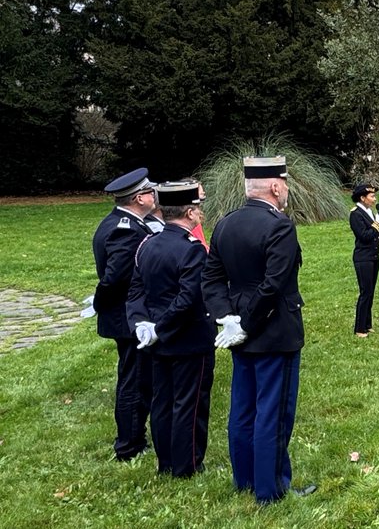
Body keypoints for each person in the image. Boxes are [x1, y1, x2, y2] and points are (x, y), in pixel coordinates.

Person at [202, 155, 314, 504]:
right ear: (276, 186)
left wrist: (228, 318)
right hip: (274, 331)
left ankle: (246, 479)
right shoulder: (279, 226)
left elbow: (212, 278)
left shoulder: (225, 223)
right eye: (285, 184)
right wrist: (243, 323)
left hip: (241, 330)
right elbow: (274, 284)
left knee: (244, 407)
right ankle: (271, 489)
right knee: (273, 412)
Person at [125, 181, 215, 477]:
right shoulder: (192, 249)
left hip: (157, 339)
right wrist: (156, 326)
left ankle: (165, 462)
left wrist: (142, 324)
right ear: (189, 212)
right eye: (198, 209)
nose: (200, 214)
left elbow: (135, 291)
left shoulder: (147, 244)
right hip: (189, 337)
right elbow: (189, 298)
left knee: (162, 402)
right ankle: (186, 464)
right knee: (189, 403)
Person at [91, 168, 157, 461]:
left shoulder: (123, 222)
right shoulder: (126, 230)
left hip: (125, 315)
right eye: (150, 192)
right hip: (128, 318)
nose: (155, 195)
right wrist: (99, 302)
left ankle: (133, 438)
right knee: (136, 381)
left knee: (136, 377)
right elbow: (116, 277)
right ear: (140, 198)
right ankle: (129, 445)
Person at [349, 183, 379, 333]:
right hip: (363, 257)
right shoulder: (356, 214)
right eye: (372, 196)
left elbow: (373, 234)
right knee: (365, 292)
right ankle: (360, 328)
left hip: (373, 255)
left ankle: (368, 324)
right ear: (363, 198)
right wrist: (377, 225)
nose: (374, 199)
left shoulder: (369, 212)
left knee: (371, 292)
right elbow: (363, 236)